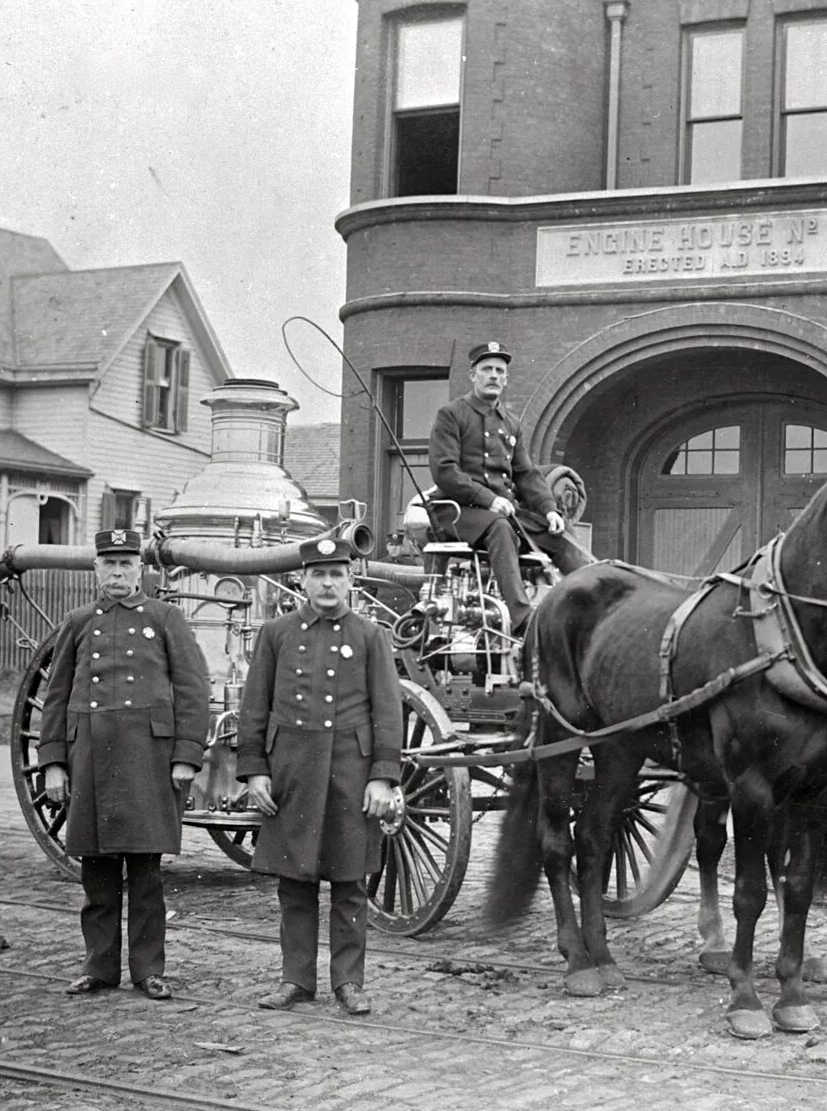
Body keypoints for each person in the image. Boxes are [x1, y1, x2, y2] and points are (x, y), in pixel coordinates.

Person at [38, 528, 207, 1000]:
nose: (117, 572)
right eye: (108, 563)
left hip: (148, 760)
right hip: (91, 758)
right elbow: (56, 699)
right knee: (97, 873)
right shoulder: (77, 621)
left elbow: (194, 690)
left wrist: (186, 756)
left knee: (147, 873)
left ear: (141, 569)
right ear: (95, 569)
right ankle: (99, 968)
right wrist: (54, 763)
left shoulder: (165, 617)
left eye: (126, 564)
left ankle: (148, 970)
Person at [238, 538, 404, 1015]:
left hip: (350, 776)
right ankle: (296, 981)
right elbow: (255, 707)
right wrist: (254, 772)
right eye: (319, 575)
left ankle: (349, 983)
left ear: (351, 580)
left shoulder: (371, 636)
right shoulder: (275, 633)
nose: (328, 584)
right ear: (302, 580)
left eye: (337, 575)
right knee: (294, 882)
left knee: (350, 882)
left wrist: (382, 777)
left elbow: (387, 713)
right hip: (292, 773)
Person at [427, 340, 592, 631]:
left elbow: (526, 474)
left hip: (502, 512)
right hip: (458, 513)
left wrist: (550, 509)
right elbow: (445, 472)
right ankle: (522, 620)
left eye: (499, 371)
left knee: (561, 532)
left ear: (505, 379)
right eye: (486, 369)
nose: (493, 375)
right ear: (472, 375)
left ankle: (594, 606)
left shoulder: (511, 423)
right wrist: (489, 499)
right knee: (501, 527)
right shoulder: (452, 415)